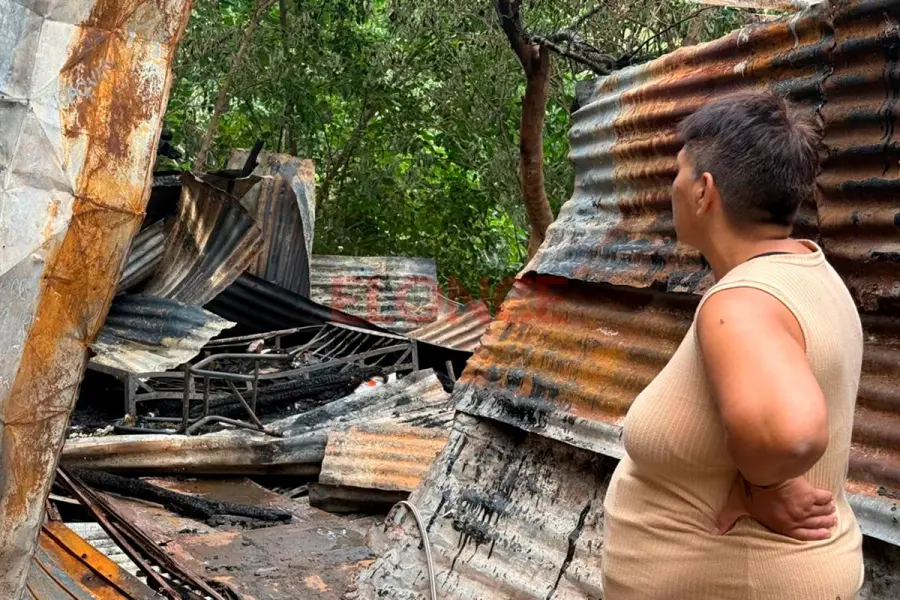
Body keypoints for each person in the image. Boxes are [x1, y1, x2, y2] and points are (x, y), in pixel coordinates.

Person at [601, 91, 864, 599]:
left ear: (704, 192)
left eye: (677, 173)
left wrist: (767, 486)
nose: (670, 187)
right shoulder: (810, 269)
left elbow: (789, 434)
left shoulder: (740, 303)